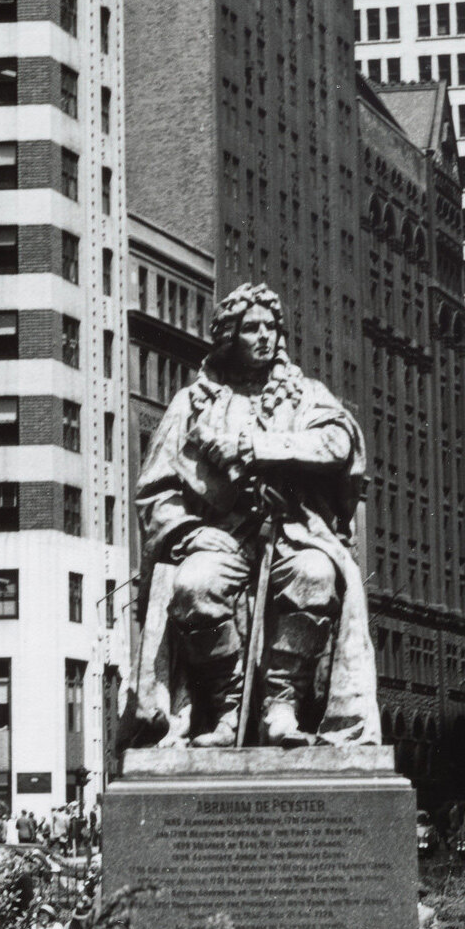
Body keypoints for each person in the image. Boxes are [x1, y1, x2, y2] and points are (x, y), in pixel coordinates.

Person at [129, 283, 379, 747]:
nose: (264, 336)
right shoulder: (192, 404)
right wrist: (191, 534)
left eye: (270, 327)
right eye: (251, 328)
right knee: (194, 584)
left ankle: (281, 706)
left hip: (293, 533)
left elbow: (339, 444)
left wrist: (255, 447)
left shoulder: (304, 394)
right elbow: (154, 491)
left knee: (315, 574)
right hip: (220, 536)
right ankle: (227, 709)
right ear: (229, 336)